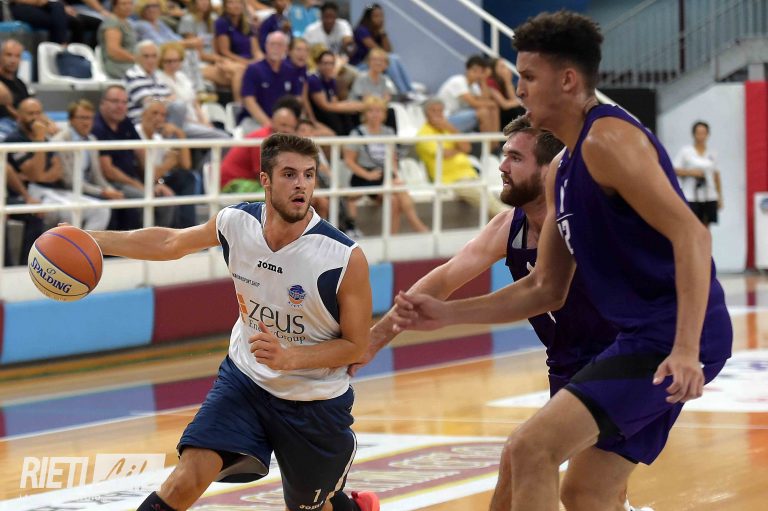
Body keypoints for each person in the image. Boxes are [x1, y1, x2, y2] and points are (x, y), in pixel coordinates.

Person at [390, 11, 732, 511]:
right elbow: (544, 288)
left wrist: (684, 350)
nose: (518, 89)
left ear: (568, 80)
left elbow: (693, 236)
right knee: (585, 493)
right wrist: (448, 313)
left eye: (529, 76)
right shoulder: (561, 171)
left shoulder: (609, 140)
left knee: (530, 448)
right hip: (640, 337)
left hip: (674, 336)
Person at [355, 115, 651, 511]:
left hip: (622, 360)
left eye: (515, 157)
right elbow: (444, 278)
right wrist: (374, 339)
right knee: (583, 487)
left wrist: (451, 314)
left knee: (528, 457)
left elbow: (545, 293)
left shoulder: (586, 221)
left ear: (549, 170)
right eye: (504, 155)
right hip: (568, 362)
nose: (502, 166)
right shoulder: (508, 226)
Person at [87, 133, 380, 511]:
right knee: (186, 479)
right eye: (289, 174)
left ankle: (354, 506)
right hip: (245, 381)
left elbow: (357, 346)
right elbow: (170, 243)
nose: (301, 184)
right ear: (265, 180)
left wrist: (291, 358)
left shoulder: (342, 256)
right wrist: (91, 239)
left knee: (311, 507)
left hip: (313, 402)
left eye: (309, 175)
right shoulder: (236, 222)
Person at [6, 98, 111, 230]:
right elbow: (36, 173)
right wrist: (39, 139)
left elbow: (58, 169)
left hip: (56, 190)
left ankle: (85, 243)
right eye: (30, 113)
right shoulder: (15, 139)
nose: (35, 118)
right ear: (19, 116)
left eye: (38, 113)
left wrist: (41, 176)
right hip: (32, 192)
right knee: (70, 213)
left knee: (101, 210)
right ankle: (66, 244)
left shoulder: (46, 138)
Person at [343, 96, 428, 235]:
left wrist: (395, 175)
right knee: (398, 190)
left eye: (379, 111)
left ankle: (391, 236)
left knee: (394, 199)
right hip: (364, 177)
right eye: (371, 111)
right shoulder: (357, 133)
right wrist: (368, 175)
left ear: (384, 114)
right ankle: (417, 226)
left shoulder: (388, 132)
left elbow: (392, 158)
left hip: (385, 176)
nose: (375, 114)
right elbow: (349, 161)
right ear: (365, 114)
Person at [415, 97, 506, 219]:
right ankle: (510, 217)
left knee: (488, 196)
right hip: (450, 179)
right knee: (487, 200)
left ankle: (506, 219)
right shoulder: (423, 134)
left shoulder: (447, 130)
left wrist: (450, 128)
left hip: (469, 174)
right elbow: (445, 154)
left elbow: (467, 148)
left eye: (440, 111)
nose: (438, 114)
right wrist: (458, 149)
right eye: (433, 111)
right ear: (426, 114)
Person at [52, 99, 124, 222]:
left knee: (122, 202)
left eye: (90, 118)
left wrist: (110, 190)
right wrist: (102, 192)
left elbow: (97, 175)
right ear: (71, 120)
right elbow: (69, 181)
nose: (87, 122)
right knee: (105, 207)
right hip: (67, 191)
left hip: (88, 188)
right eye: (82, 118)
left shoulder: (92, 140)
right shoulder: (60, 141)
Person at [220, 106, 298, 193]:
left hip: (249, 181)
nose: (287, 130)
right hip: (232, 183)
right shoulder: (262, 140)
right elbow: (262, 174)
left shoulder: (277, 141)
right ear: (272, 123)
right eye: (283, 125)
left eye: (292, 127)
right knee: (278, 195)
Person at [239, 31, 301, 131]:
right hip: (255, 120)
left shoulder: (291, 71)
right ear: (266, 46)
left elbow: (296, 100)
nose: (275, 48)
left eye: (279, 45)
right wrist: (269, 125)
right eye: (272, 44)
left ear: (286, 48)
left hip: (284, 124)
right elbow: (249, 101)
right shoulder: (253, 69)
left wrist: (289, 124)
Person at [349, 3, 412, 95]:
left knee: (395, 58)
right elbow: (378, 51)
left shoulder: (378, 31)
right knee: (390, 58)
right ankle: (403, 92)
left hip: (373, 62)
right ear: (368, 18)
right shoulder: (361, 30)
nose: (380, 19)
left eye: (381, 16)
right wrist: (385, 55)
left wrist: (383, 33)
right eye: (376, 16)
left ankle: (410, 90)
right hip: (360, 65)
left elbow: (389, 51)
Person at [673, 121, 723, 228]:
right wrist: (691, 172)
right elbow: (674, 170)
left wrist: (719, 197)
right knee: (691, 226)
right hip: (691, 195)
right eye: (698, 133)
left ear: (708, 134)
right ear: (693, 134)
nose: (701, 136)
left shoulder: (713, 153)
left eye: (703, 133)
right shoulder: (685, 151)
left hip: (709, 194)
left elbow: (716, 176)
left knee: (706, 226)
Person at [436, 54, 499, 135]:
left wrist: (483, 80)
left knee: (491, 109)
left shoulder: (474, 86)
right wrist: (492, 104)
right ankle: (489, 142)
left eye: (480, 72)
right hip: (446, 118)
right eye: (475, 71)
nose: (477, 75)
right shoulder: (458, 81)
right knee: (483, 112)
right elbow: (474, 103)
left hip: (459, 115)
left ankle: (494, 141)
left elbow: (484, 100)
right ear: (467, 70)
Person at [97, 0, 138, 79]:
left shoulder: (127, 22)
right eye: (124, 4)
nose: (128, 7)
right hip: (118, 65)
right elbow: (113, 52)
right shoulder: (112, 22)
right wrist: (136, 59)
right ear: (114, 6)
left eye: (130, 3)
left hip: (131, 63)